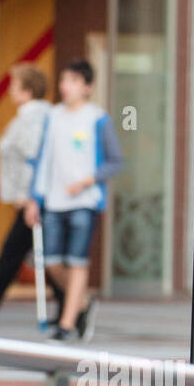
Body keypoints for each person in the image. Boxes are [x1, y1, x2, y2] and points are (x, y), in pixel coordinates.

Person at [29, 59, 122, 341]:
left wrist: (87, 181)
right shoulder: (53, 116)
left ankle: (67, 324)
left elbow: (115, 161)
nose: (64, 87)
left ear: (88, 87)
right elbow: (42, 159)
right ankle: (82, 301)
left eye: (72, 81)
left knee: (77, 261)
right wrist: (35, 198)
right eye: (63, 81)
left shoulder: (97, 118)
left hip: (85, 201)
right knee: (52, 263)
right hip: (53, 201)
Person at [0, 64, 58, 326]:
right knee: (25, 255)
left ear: (27, 90)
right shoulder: (33, 115)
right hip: (32, 198)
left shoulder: (33, 117)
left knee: (17, 255)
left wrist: (29, 196)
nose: (10, 90)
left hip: (34, 200)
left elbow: (34, 158)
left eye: (15, 85)